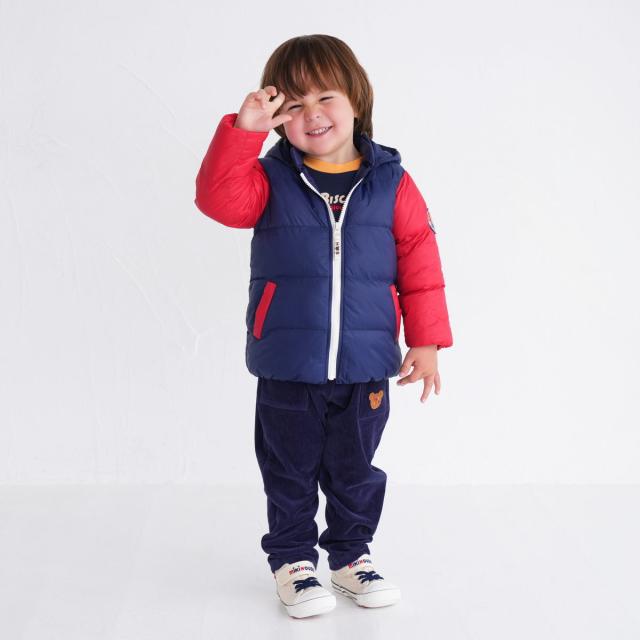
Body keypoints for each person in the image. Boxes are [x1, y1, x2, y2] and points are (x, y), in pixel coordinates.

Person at [194, 34, 453, 619]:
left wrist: (427, 339)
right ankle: (293, 561)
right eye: (294, 104)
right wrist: (244, 130)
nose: (312, 114)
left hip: (365, 365)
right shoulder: (268, 178)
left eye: (325, 97)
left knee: (355, 470)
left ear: (356, 99)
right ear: (278, 117)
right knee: (288, 470)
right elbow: (218, 200)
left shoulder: (391, 181)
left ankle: (351, 556)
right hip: (288, 364)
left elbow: (420, 257)